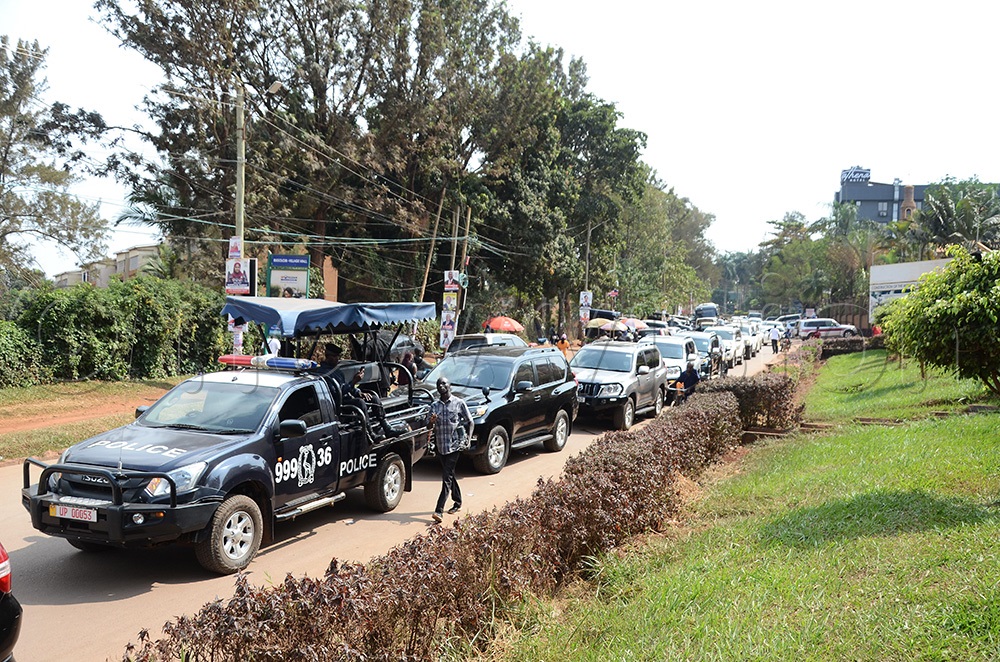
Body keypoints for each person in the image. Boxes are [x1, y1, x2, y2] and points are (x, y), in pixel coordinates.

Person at [429, 377, 473, 523]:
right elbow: (428, 427)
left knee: (446, 477)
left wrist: (468, 440)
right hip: (441, 447)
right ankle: (458, 501)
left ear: (450, 386)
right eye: (438, 384)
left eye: (444, 383)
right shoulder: (434, 406)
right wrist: (431, 421)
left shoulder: (458, 403)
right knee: (450, 475)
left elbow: (470, 421)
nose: (441, 386)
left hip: (455, 446)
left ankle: (438, 511)